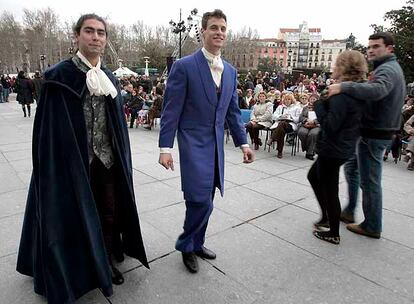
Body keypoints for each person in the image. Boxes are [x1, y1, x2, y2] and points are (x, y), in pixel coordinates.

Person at [16, 14, 148, 303]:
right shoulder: (58, 76)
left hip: (107, 160)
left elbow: (116, 126)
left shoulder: (111, 78)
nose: (96, 37)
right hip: (71, 162)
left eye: (101, 32)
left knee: (109, 212)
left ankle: (105, 261)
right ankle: (75, 267)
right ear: (76, 36)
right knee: (70, 215)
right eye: (89, 31)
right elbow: (46, 129)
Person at [158, 9, 254, 274]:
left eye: (223, 28)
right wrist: (165, 148)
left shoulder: (231, 71)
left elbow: (232, 112)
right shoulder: (184, 66)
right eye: (213, 27)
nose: (219, 32)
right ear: (202, 32)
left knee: (207, 197)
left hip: (216, 148)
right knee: (200, 200)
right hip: (192, 143)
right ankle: (186, 244)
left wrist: (243, 143)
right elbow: (171, 110)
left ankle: (197, 242)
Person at [328, 32, 406, 238]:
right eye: (370, 46)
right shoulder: (387, 68)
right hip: (374, 131)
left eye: (377, 46)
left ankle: (372, 225)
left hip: (375, 134)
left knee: (370, 181)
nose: (371, 50)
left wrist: (343, 86)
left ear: (390, 49)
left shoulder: (387, 70)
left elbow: (377, 91)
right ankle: (349, 210)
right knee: (353, 169)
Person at [309, 50, 367, 244]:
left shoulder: (341, 94)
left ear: (344, 68)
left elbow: (330, 126)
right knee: (313, 176)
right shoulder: (355, 90)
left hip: (333, 149)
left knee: (330, 189)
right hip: (344, 147)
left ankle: (333, 231)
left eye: (336, 64)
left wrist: (318, 104)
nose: (333, 67)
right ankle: (326, 217)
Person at [267, 93, 301, 158]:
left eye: (289, 99)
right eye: (286, 99)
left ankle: (272, 138)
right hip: (280, 124)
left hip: (290, 125)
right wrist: (281, 116)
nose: (287, 101)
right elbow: (273, 116)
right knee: (281, 129)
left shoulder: (297, 108)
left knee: (282, 124)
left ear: (292, 100)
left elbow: (298, 119)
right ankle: (280, 152)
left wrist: (290, 117)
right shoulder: (280, 107)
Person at [297, 93, 320, 160]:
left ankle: (309, 153)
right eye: (311, 99)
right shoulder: (305, 108)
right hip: (306, 124)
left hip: (316, 125)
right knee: (302, 133)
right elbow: (300, 117)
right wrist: (306, 120)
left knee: (313, 134)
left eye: (314, 99)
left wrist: (314, 121)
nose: (312, 100)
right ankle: (308, 149)